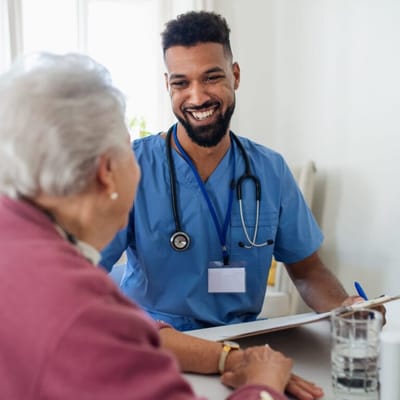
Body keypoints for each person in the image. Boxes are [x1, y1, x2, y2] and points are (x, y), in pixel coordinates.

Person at [0, 52, 294, 400]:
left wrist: (223, 356)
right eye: (128, 150)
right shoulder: (84, 316)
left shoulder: (17, 241)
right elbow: (99, 323)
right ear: (106, 172)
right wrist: (264, 384)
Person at [100, 10, 368, 331]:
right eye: (181, 83)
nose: (197, 97)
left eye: (211, 77)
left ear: (235, 76)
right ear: (167, 85)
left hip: (241, 339)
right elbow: (85, 270)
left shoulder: (270, 170)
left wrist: (344, 308)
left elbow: (307, 270)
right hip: (156, 344)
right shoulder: (130, 167)